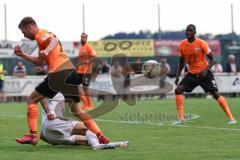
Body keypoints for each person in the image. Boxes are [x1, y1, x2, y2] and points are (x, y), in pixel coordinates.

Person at [14, 17, 109, 145]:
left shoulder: (40, 34)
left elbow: (54, 40)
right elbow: (40, 62)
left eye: (23, 32)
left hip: (59, 73)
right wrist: (23, 55)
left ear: (29, 27)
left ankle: (32, 136)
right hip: (71, 72)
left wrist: (47, 51)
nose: (24, 35)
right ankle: (100, 135)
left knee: (32, 100)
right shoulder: (42, 40)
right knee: (76, 110)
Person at [174, 24, 237, 125]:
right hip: (192, 74)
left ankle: (231, 118)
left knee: (216, 94)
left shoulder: (202, 43)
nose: (188, 32)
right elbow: (181, 61)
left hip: (204, 73)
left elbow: (213, 59)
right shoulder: (182, 45)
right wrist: (177, 76)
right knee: (178, 90)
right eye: (187, 30)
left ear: (194, 32)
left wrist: (207, 69)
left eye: (190, 31)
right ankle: (181, 118)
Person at [40, 93, 129, 149]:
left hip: (46, 135)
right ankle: (97, 146)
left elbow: (41, 95)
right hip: (54, 122)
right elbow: (77, 112)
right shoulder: (65, 86)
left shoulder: (56, 83)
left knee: (89, 140)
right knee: (89, 128)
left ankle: (115, 144)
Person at [75, 33, 96, 111]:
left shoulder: (88, 47)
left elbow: (94, 57)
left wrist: (87, 61)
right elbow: (80, 60)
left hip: (87, 71)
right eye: (81, 37)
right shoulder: (81, 48)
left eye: (83, 37)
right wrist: (77, 66)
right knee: (75, 87)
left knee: (85, 89)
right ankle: (85, 103)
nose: (82, 38)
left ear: (86, 38)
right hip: (80, 71)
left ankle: (89, 105)